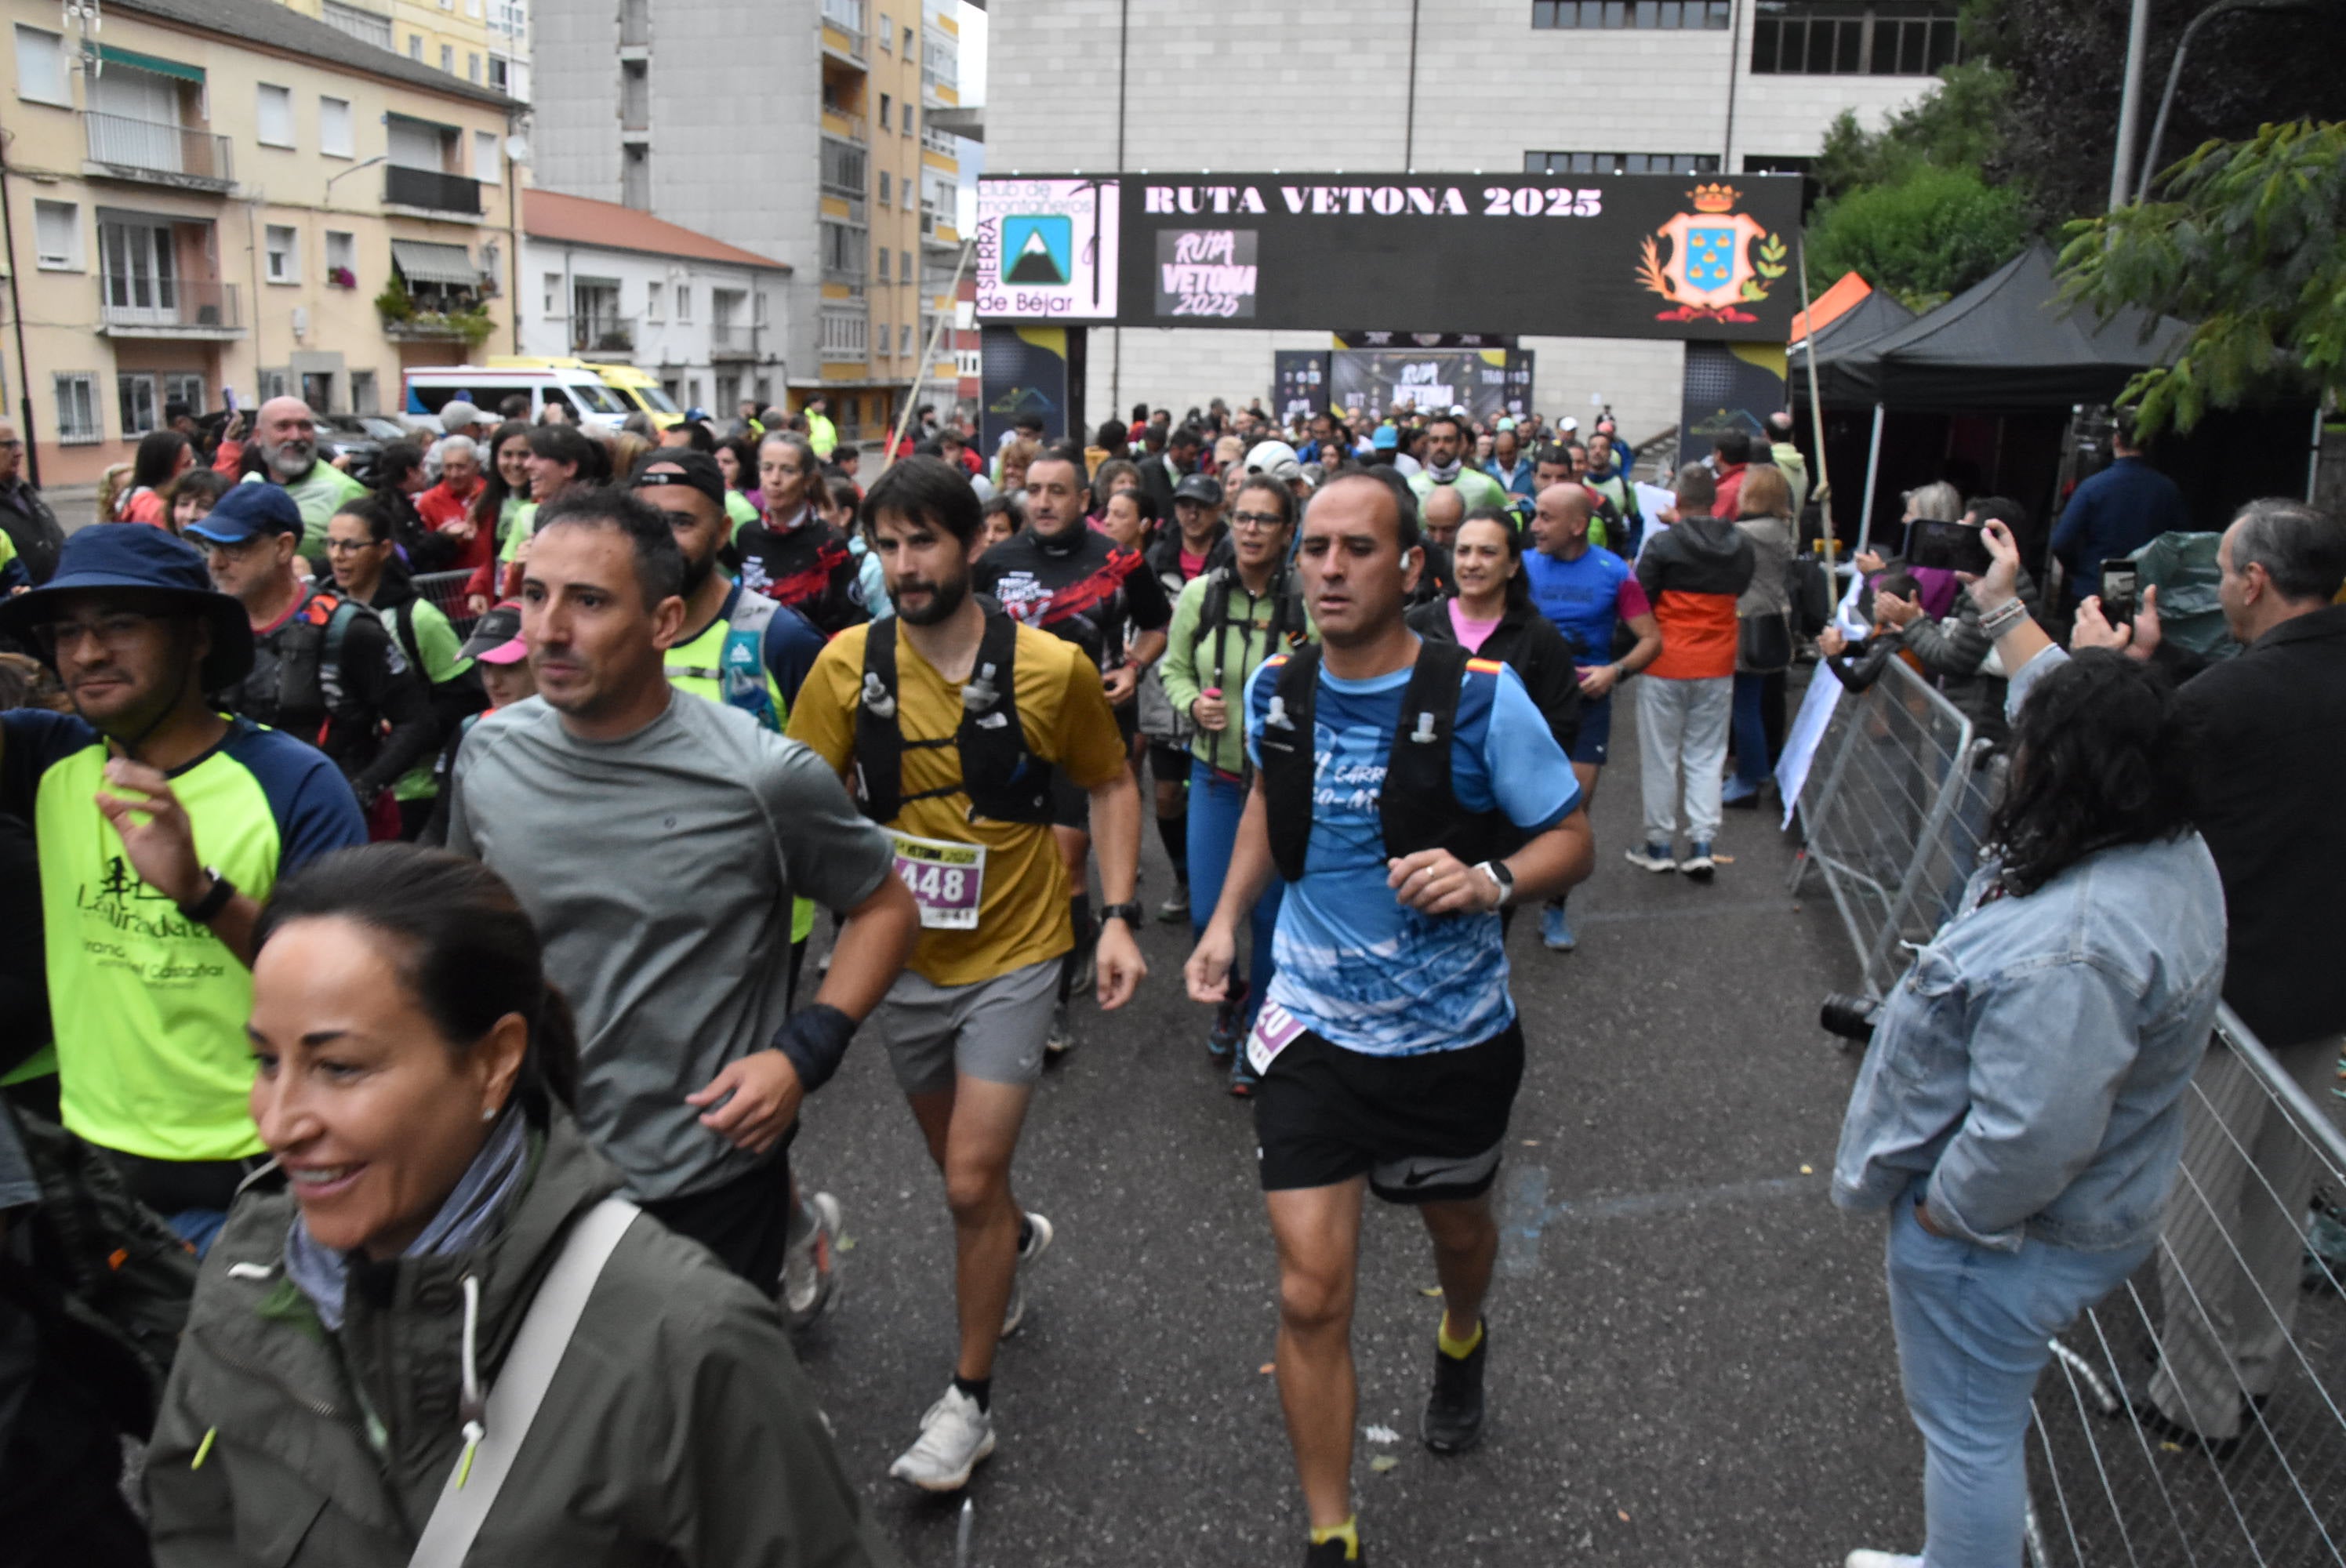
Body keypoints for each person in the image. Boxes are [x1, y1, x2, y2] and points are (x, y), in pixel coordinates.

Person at [143, 844, 904, 1566]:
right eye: (267, 1061)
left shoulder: (685, 1341)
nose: (278, 1121)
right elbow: (192, 1514)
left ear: (493, 1061)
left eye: (339, 1067)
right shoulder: (251, 1252)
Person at [1182, 469, 1592, 1568]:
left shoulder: (1482, 695)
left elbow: (1572, 839)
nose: (1326, 566)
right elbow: (1275, 798)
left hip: (1451, 1039)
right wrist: (1227, 919)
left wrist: (1490, 881)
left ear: (1409, 566)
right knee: (1311, 1290)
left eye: (1356, 548)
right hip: (1312, 1032)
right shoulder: (1282, 686)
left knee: (1459, 1233)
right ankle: (1333, 1532)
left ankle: (1462, 1336)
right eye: (1314, 546)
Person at [1835, 527, 2225, 1568]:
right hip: (2077, 1214)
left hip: (2004, 1239)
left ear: (2072, 769)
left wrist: (1942, 1213)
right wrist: (2009, 606)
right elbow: (2055, 694)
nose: (2019, 751)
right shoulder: (2165, 841)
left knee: (1966, 1433)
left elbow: (2030, 1131)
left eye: (2033, 747)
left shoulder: (2079, 945)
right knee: (1973, 1427)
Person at [446, 486, 918, 1311]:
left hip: (702, 1168)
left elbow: (886, 907)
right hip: (527, 1163)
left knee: (691, 1420)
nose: (548, 630)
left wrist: (802, 1053)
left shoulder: (764, 776)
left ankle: (784, 1231)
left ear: (664, 623)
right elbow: (466, 922)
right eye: (534, 595)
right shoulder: (487, 752)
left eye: (588, 601)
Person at [788, 456, 1142, 1490]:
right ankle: (1010, 1240)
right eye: (886, 545)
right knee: (970, 1189)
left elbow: (1112, 785)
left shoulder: (1052, 668)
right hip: (899, 961)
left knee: (967, 1180)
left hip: (1020, 954)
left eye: (924, 542)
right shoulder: (845, 667)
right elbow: (798, 802)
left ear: (975, 543)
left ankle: (967, 1404)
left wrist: (1116, 918)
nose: (904, 565)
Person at [2056, 497, 2346, 1460]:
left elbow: (2129, 774)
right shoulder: (2272, 679)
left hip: (2229, 993)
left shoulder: (2225, 703)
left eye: (2222, 571)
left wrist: (2103, 668)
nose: (2216, 587)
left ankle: (2195, 1393)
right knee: (2280, 1187)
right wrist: (2157, 665)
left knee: (2196, 1198)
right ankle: (2253, 1365)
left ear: (2253, 581)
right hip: (2324, 982)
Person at [0, 526, 365, 1250]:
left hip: (252, 1174)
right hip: (88, 1165)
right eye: (66, 631)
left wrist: (202, 894)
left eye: (122, 625)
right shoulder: (46, 761)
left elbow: (351, 993)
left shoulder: (293, 782)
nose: (88, 653)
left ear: (198, 637)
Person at [975, 450, 1172, 1054]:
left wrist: (1135, 666)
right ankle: (1057, 945)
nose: (1042, 502)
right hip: (1010, 727)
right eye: (1033, 490)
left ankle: (1053, 1004)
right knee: (1012, 860)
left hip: (1090, 725)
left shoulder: (1118, 561)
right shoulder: (997, 561)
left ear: (1084, 500)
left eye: (1057, 491)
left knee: (1063, 859)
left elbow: (1156, 624)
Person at [1159, 476, 1312, 1092]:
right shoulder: (1203, 594)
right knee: (1204, 915)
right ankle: (1233, 996)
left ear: (1286, 532)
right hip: (1217, 776)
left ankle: (1259, 1029)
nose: (1250, 530)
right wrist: (1194, 704)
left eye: (1265, 520)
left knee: (1272, 920)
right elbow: (1171, 668)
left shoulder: (1305, 602)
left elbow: (1335, 673)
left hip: (1279, 787)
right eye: (1243, 518)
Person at [195, 485, 436, 833]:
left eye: (235, 548)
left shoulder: (347, 629)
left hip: (334, 837)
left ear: (283, 548)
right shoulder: (210, 632)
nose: (216, 563)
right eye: (211, 548)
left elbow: (416, 722)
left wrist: (357, 792)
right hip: (240, 823)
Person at [1520, 483, 1661, 948]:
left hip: (1587, 704)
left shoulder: (1614, 571)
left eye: (1545, 517)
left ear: (1577, 526)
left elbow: (1650, 640)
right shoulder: (1520, 566)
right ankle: (1508, 886)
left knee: (1574, 807)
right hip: (1528, 701)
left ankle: (1555, 909)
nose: (1534, 526)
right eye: (1535, 516)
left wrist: (1614, 672)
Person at [322, 498, 484, 840]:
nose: (337, 556)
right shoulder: (328, 611)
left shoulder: (419, 618)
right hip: (344, 784)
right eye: (332, 544)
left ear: (384, 550)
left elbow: (467, 696)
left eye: (351, 546)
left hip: (411, 792)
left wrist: (402, 725)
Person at [1629, 463, 1753, 880]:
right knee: (1706, 755)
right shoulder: (1740, 545)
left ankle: (1659, 844)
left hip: (1665, 660)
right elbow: (1743, 585)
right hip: (1717, 663)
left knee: (1661, 757)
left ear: (1676, 499)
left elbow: (1640, 598)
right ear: (1714, 499)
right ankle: (1702, 843)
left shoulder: (1663, 545)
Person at [2051, 406, 2191, 608]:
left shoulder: (2092, 487)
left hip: (2093, 590)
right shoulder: (2168, 491)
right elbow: (2181, 544)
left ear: (2115, 440)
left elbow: (2061, 541)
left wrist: (2080, 569)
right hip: (2143, 596)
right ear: (2149, 441)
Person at [740, 431, 868, 634]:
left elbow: (850, 623)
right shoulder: (747, 535)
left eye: (788, 471)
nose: (775, 479)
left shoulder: (830, 544)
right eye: (767, 468)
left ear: (808, 480)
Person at [1723, 465, 1796, 810]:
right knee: (1753, 703)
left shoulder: (1742, 534)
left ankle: (1749, 779)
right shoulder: (1781, 530)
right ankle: (1756, 772)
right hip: (1772, 620)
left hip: (1746, 622)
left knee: (1745, 706)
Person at [243, 396, 369, 566]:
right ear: (258, 437)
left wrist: (312, 570)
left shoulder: (344, 489)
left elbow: (367, 564)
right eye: (283, 427)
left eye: (304, 426)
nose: (295, 436)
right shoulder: (249, 484)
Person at [1406, 412, 1509, 519]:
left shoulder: (1485, 486)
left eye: (1448, 440)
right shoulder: (1411, 487)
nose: (1441, 446)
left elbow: (1511, 518)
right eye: (1435, 440)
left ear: (1460, 444)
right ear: (1428, 444)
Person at [413, 433, 489, 572]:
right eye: (448, 467)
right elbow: (421, 551)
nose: (454, 474)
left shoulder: (490, 494)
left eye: (461, 467)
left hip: (487, 585)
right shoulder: (429, 501)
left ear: (477, 466)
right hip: (447, 588)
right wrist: (443, 538)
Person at [0, 418, 64, 586]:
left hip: (51, 595)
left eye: (18, 444)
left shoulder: (24, 491)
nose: (18, 452)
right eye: (9, 445)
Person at [116, 430, 194, 526]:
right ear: (163, 468)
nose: (193, 470)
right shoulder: (153, 510)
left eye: (193, 462)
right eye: (186, 465)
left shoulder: (137, 500)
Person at [1764, 410, 1811, 521]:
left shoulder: (1766, 464)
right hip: (1793, 534)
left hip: (1772, 535)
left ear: (1765, 434)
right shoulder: (1801, 465)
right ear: (1792, 436)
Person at [1707, 430, 1752, 521]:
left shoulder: (1727, 490)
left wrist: (1676, 518)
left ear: (1718, 455)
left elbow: (1713, 529)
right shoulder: (1758, 480)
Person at [1484, 424, 1534, 501]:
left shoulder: (1531, 470)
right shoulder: (1485, 471)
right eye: (1501, 454)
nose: (1505, 458)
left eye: (1509, 453)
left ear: (1517, 448)